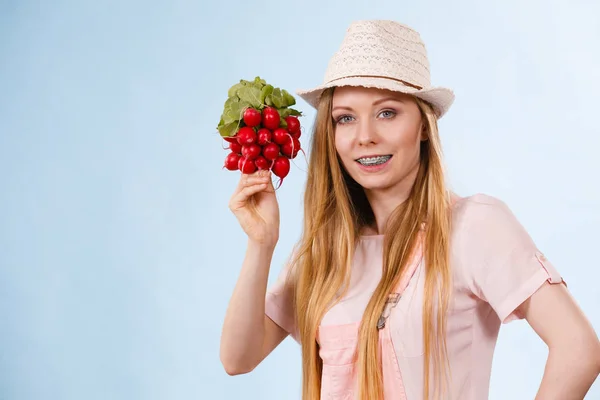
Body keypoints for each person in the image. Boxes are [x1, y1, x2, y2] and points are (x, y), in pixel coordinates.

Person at [219, 20, 600, 399]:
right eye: (345, 118)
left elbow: (578, 349)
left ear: (423, 125)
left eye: (387, 112)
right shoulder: (326, 252)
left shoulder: (473, 226)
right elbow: (239, 358)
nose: (365, 135)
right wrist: (262, 244)